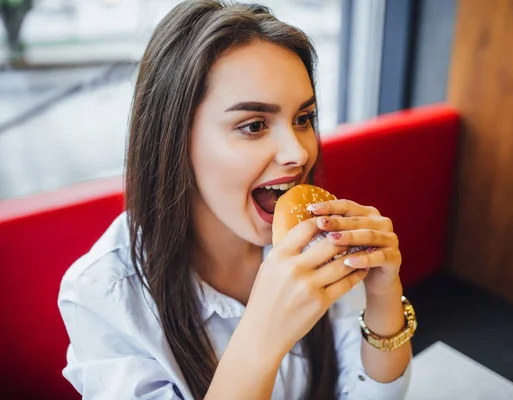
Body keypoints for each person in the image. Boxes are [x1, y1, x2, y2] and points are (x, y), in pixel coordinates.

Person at [57, 1, 414, 399]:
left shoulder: (315, 238)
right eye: (254, 125)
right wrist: (263, 335)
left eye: (303, 119)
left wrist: (383, 296)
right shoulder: (102, 296)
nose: (297, 151)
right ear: (175, 140)